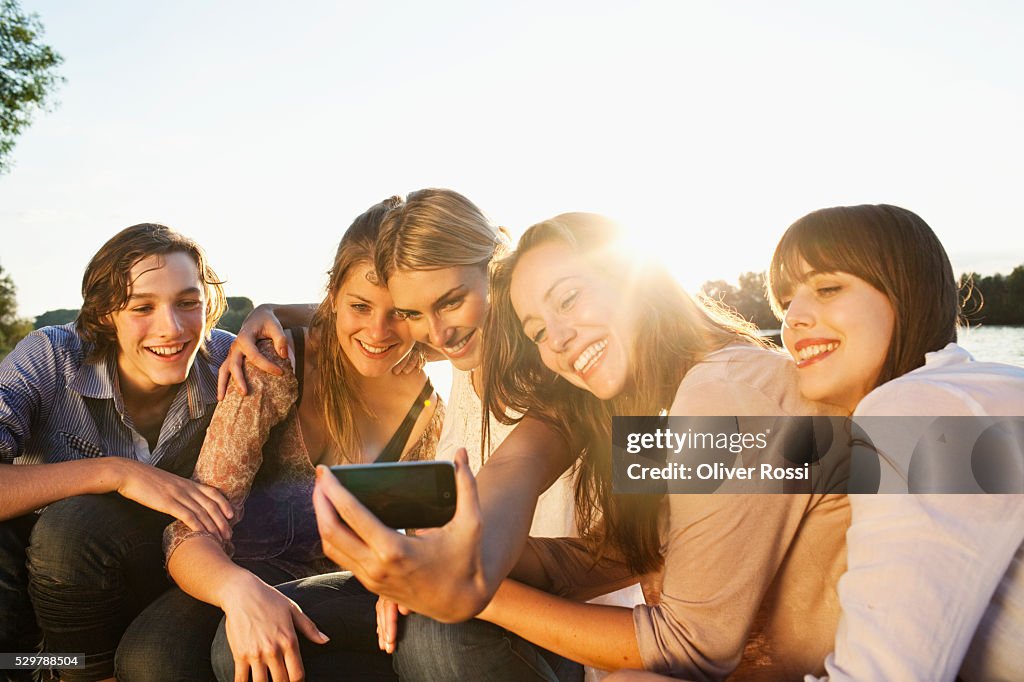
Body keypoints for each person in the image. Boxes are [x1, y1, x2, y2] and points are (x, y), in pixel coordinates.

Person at [315, 212, 851, 680]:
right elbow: (611, 558)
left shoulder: (726, 390)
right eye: (539, 331)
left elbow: (691, 647)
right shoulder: (666, 401)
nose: (560, 339)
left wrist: (479, 594)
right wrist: (441, 556)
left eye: (569, 298)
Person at [211, 188, 586, 682]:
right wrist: (275, 313)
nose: (437, 332)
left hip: (547, 601)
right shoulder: (453, 352)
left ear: (497, 272)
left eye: (451, 302)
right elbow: (370, 323)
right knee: (241, 646)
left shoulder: (565, 373)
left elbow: (517, 478)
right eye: (416, 315)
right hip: (486, 576)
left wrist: (441, 572)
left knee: (432, 641)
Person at [116, 197, 444, 682]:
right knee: (151, 660)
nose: (378, 331)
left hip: (344, 585)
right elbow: (193, 529)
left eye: (399, 312)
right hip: (234, 567)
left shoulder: (429, 406)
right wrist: (239, 591)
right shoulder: (275, 363)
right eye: (359, 306)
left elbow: (415, 536)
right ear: (333, 295)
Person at [765, 203, 1024, 681]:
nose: (793, 318)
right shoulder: (970, 390)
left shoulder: (916, 406)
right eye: (785, 304)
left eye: (826, 288)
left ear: (906, 294)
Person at [0, 223, 235, 682]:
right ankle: (53, 671)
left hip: (162, 561)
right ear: (107, 313)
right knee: (65, 525)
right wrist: (115, 472)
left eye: (189, 303)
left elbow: (343, 330)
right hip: (40, 574)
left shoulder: (227, 363)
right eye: (141, 307)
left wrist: (274, 311)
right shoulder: (50, 357)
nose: (172, 327)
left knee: (80, 530)